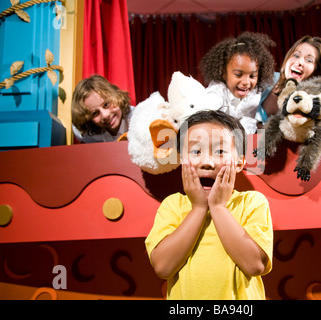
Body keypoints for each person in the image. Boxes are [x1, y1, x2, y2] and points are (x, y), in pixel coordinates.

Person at [145, 110, 273, 300]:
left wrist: (219, 207)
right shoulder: (172, 205)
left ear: (239, 163)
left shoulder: (252, 202)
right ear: (181, 161)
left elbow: (255, 265)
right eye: (196, 151)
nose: (207, 163)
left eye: (220, 152)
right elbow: (163, 267)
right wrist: (198, 208)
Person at [200, 32, 276, 134]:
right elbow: (206, 110)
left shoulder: (256, 94)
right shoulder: (217, 91)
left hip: (246, 141)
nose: (246, 82)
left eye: (252, 76)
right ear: (224, 73)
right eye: (238, 75)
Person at [256, 35, 321, 125]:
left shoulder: (312, 105)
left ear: (317, 72)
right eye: (296, 55)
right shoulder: (264, 79)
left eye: (309, 60)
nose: (299, 62)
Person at [71, 75, 135, 143]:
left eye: (106, 104)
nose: (105, 115)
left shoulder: (136, 119)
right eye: (95, 113)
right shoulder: (87, 133)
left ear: (117, 96)